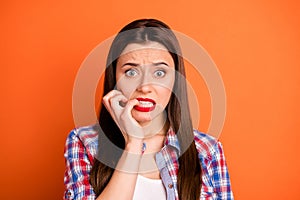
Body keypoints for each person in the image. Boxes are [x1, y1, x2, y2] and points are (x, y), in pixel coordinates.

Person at [64, 18, 233, 200]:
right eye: (131, 72)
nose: (145, 86)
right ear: (115, 79)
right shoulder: (85, 142)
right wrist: (134, 143)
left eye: (159, 73)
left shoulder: (208, 150)